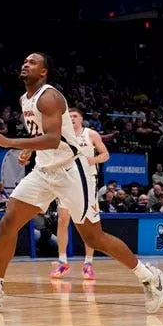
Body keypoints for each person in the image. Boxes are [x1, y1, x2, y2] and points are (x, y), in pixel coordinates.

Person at [0, 53, 163, 313]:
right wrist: (29, 151)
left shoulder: (49, 96)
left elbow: (54, 139)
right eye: (24, 61)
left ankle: (149, 276)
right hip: (43, 170)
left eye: (32, 62)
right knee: (8, 221)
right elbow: (41, 135)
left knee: (94, 236)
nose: (25, 64)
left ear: (44, 72)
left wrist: (12, 143)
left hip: (70, 170)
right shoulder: (25, 99)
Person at [51, 107, 109, 281]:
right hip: (67, 180)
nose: (72, 118)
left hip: (88, 181)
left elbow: (105, 154)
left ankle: (88, 263)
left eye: (75, 116)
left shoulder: (90, 134)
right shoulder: (61, 135)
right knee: (63, 219)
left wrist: (93, 160)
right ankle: (62, 261)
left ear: (82, 119)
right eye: (69, 117)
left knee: (87, 223)